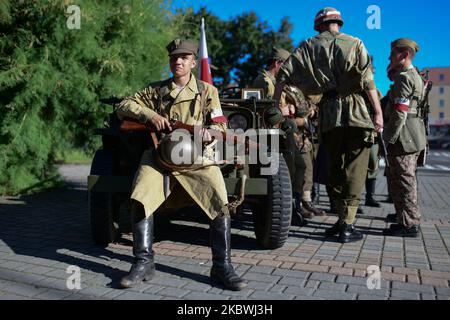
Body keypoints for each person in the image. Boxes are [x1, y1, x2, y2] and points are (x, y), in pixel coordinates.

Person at [116, 39, 247, 290]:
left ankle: (222, 266)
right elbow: (124, 105)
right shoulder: (155, 91)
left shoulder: (208, 91)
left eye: (184, 57)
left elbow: (220, 124)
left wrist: (209, 132)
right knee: (140, 195)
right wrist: (150, 115)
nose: (178, 61)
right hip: (160, 157)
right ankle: (143, 262)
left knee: (219, 200)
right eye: (175, 57)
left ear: (193, 63)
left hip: (196, 158)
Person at [274, 7, 383, 243]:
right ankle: (348, 224)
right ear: (339, 23)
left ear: (318, 26)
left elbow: (283, 75)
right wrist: (378, 112)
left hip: (329, 115)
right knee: (355, 168)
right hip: (357, 113)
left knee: (336, 166)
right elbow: (368, 82)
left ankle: (341, 220)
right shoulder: (355, 44)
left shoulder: (307, 46)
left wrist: (274, 104)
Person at [382, 39, 426, 237]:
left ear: (404, 54)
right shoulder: (414, 75)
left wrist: (387, 137)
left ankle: (409, 225)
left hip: (404, 136)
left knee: (404, 181)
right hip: (412, 133)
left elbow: (400, 112)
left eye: (392, 53)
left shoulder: (403, 78)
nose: (389, 57)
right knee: (402, 180)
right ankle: (404, 218)